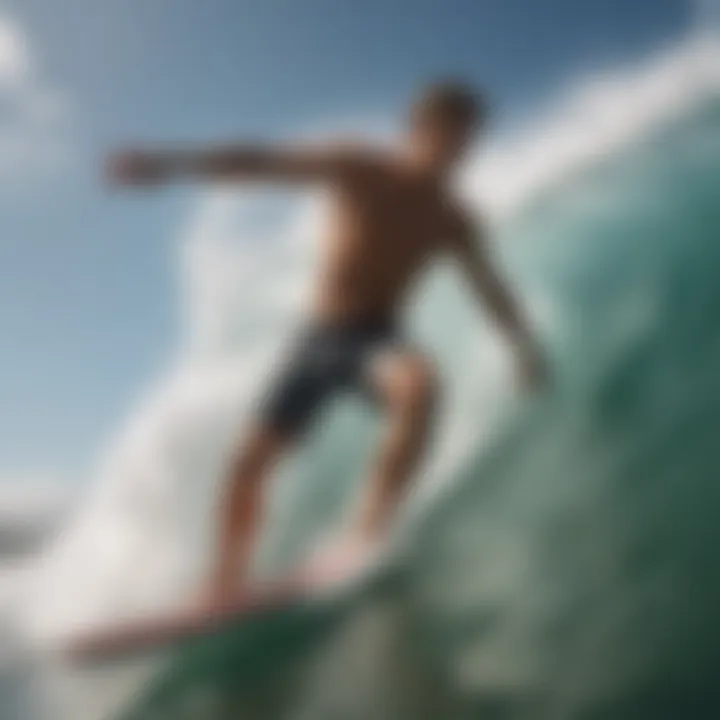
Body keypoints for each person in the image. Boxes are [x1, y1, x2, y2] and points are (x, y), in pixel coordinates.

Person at [108, 80, 547, 606]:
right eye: (450, 139)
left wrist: (521, 347)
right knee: (249, 463)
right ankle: (223, 584)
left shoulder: (453, 218)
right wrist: (170, 164)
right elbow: (263, 163)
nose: (458, 154)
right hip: (315, 342)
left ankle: (364, 537)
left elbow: (489, 285)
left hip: (375, 338)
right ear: (418, 131)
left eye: (468, 143)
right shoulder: (359, 167)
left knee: (419, 388)